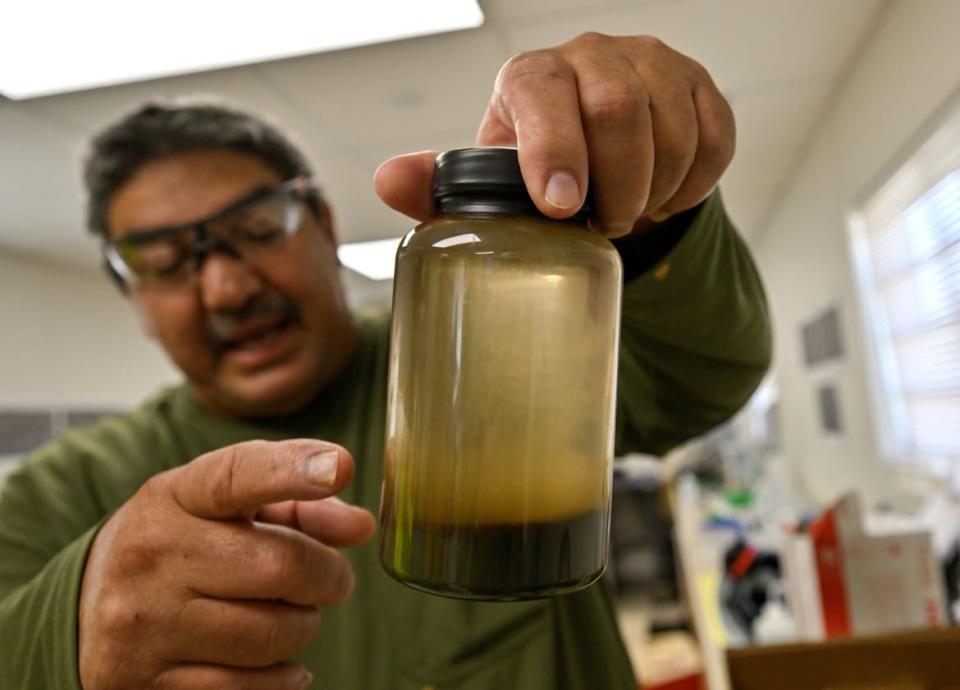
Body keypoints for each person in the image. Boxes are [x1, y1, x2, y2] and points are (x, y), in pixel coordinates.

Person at [0, 32, 771, 689]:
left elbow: (701, 378)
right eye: (165, 259)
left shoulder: (492, 342)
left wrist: (645, 219)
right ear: (133, 299)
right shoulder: (61, 494)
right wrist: (66, 631)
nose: (228, 286)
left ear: (324, 223)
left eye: (259, 225)